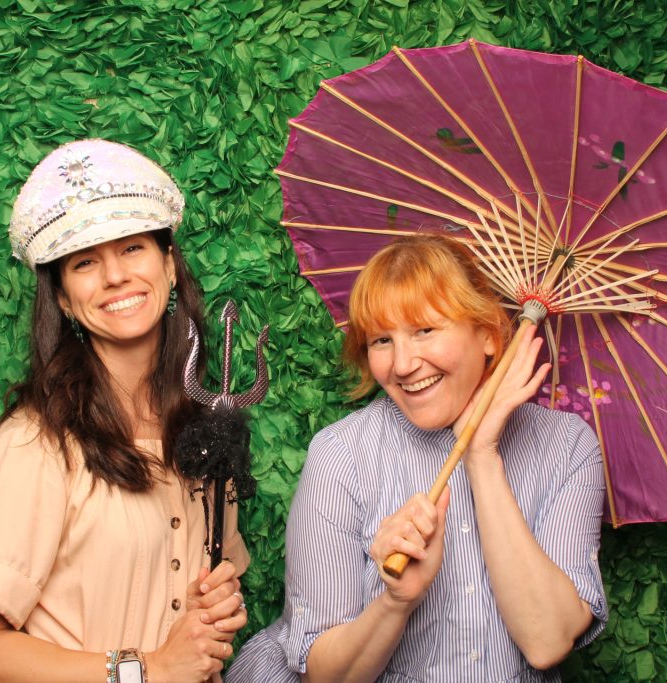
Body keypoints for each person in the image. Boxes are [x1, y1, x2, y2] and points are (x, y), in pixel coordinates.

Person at [0, 139, 250, 683]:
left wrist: (216, 606)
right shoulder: (35, 445)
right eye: (85, 262)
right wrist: (145, 669)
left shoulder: (203, 431)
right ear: (61, 298)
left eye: (133, 249)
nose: (115, 277)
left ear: (169, 265)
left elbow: (193, 602)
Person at [229, 234, 607, 683]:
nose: (403, 364)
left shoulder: (567, 447)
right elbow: (325, 675)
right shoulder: (342, 456)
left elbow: (547, 642)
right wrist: (395, 602)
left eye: (424, 330)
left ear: (487, 336)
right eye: (381, 340)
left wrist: (481, 456)